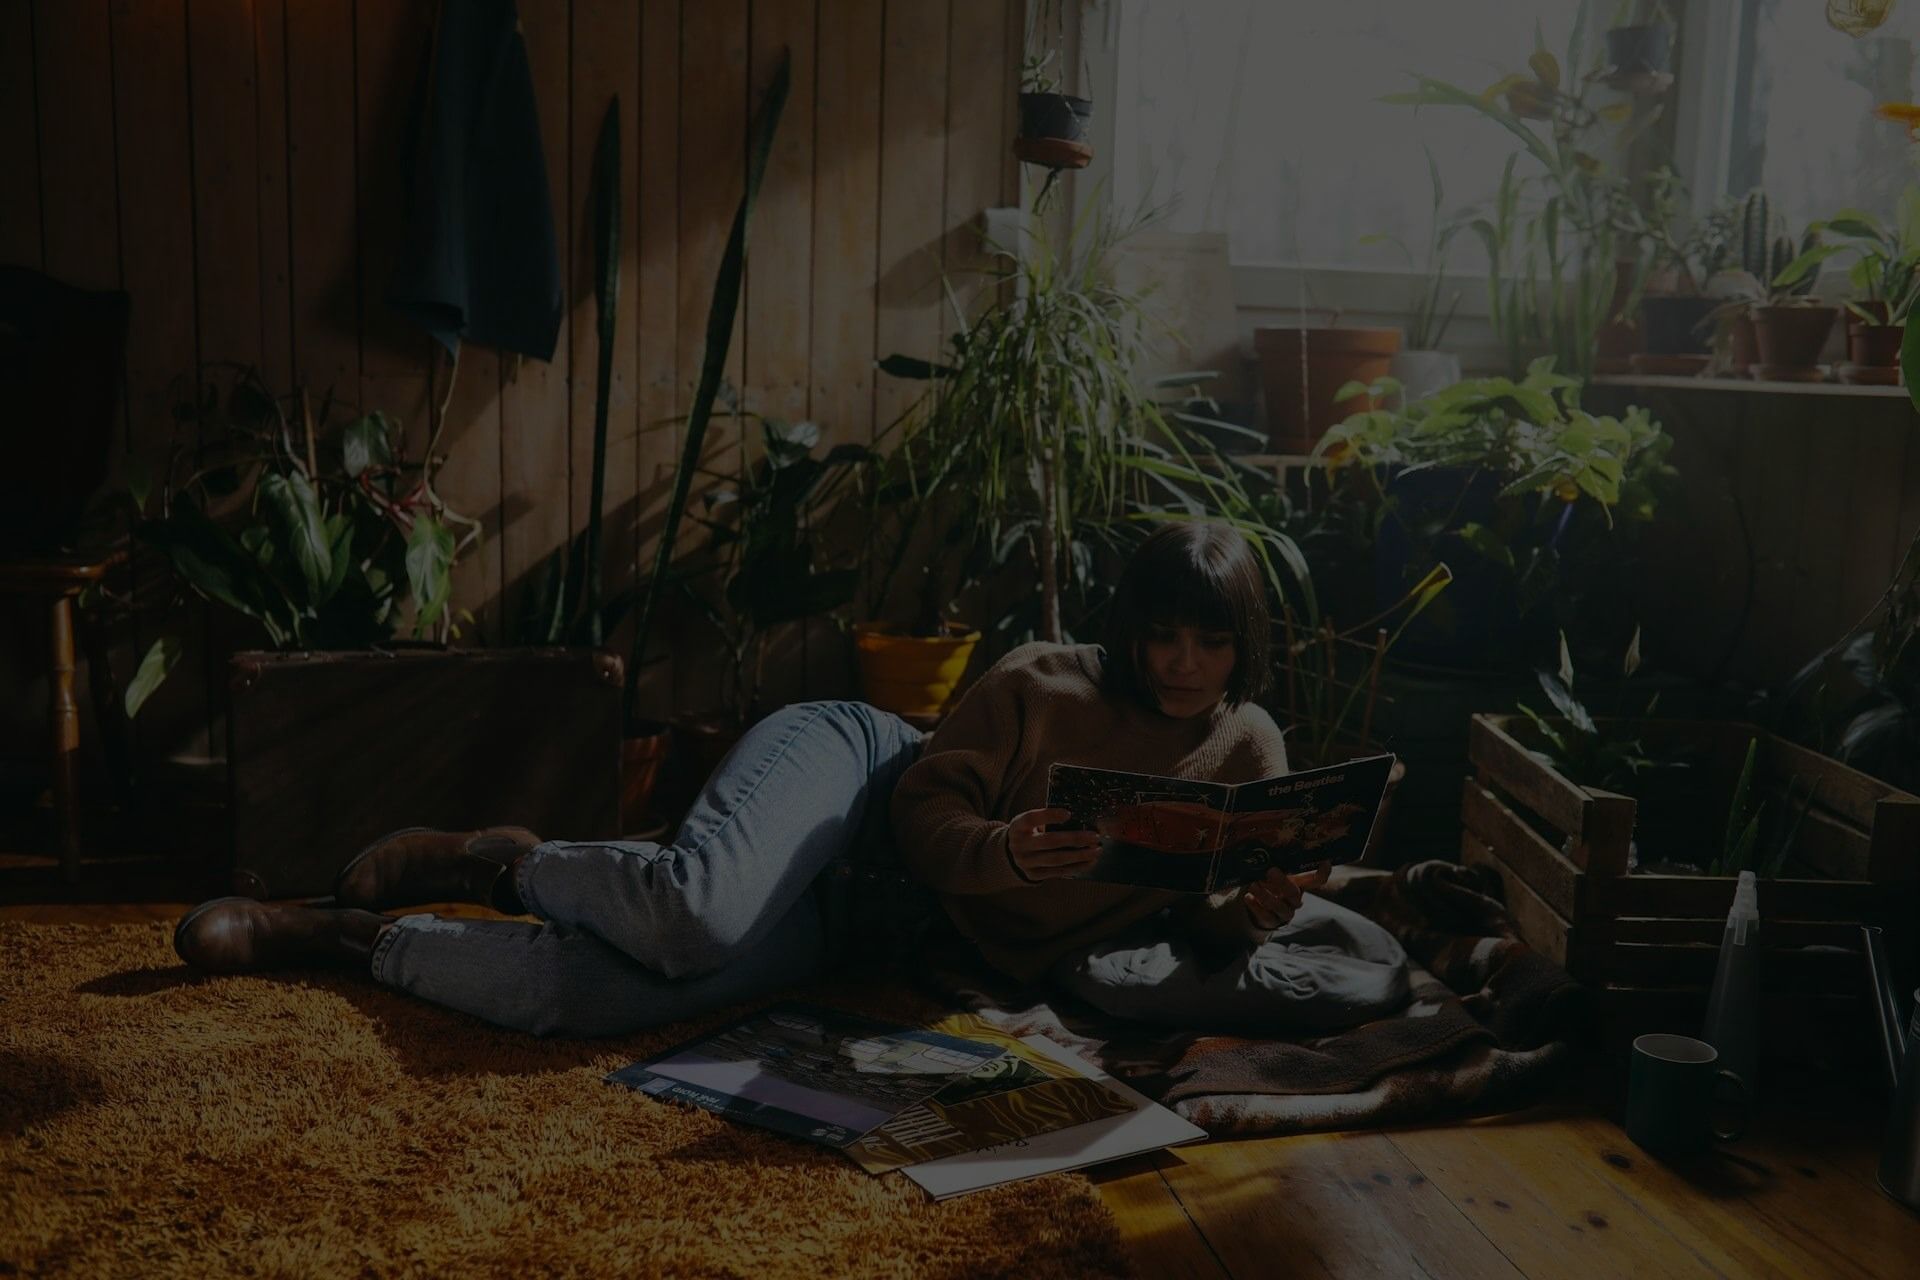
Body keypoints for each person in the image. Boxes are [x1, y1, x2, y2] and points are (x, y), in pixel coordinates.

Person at [174, 522, 1408, 1036]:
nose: (1185, 665)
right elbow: (929, 804)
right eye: (1165, 635)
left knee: (607, 995)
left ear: (1245, 643)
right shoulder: (1049, 677)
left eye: (1212, 642)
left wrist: (1249, 908)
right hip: (859, 779)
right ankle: (505, 860)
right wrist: (1001, 850)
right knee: (693, 909)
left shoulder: (1249, 745)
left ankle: (344, 941)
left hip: (872, 923)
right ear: (1132, 625)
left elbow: (1182, 900)